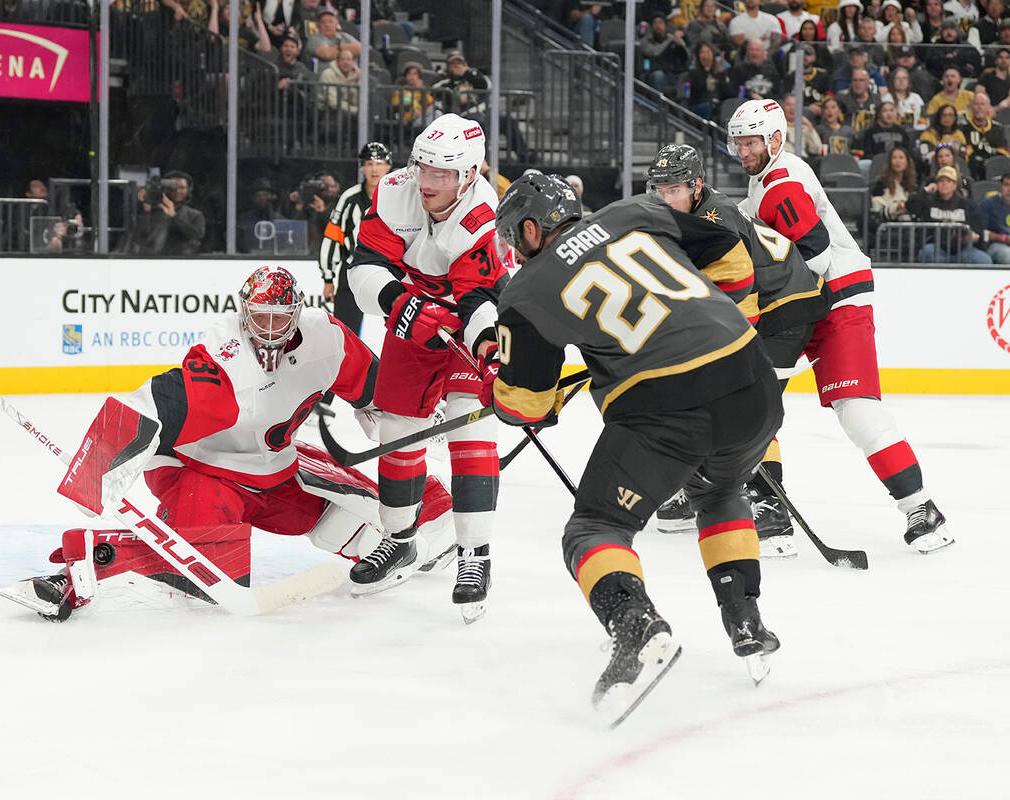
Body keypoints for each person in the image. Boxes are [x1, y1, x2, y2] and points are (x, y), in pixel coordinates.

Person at [488, 173, 783, 725]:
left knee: (593, 528)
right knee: (718, 488)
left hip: (669, 407)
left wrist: (504, 384)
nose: (512, 247)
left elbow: (526, 406)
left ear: (531, 229)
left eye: (512, 236)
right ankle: (746, 621)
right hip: (752, 378)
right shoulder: (638, 210)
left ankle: (635, 626)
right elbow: (727, 246)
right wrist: (712, 322)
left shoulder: (525, 291)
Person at [0, 266, 457, 621]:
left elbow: (372, 383)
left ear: (298, 312)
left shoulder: (326, 338)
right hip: (203, 472)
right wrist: (98, 466)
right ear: (243, 313)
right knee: (205, 573)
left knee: (359, 522)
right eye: (260, 317)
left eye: (281, 318)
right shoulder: (224, 358)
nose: (270, 329)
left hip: (278, 468)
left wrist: (404, 412)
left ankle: (432, 523)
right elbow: (156, 402)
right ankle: (78, 572)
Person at [726, 98, 955, 553]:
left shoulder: (781, 185)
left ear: (774, 138)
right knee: (752, 398)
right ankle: (753, 502)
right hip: (805, 299)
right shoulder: (767, 179)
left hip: (833, 298)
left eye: (750, 141)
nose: (743, 150)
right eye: (738, 143)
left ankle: (921, 508)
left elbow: (817, 255)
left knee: (856, 410)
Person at [344, 114, 510, 621]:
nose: (428, 183)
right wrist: (400, 301)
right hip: (412, 313)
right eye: (424, 169)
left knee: (468, 432)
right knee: (397, 430)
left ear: (469, 173)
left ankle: (474, 555)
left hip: (466, 318)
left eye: (443, 174)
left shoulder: (483, 211)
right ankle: (400, 539)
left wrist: (484, 344)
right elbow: (365, 269)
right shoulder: (395, 189)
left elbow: (480, 295)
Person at [647, 144, 829, 556]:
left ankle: (770, 507)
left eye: (673, 188)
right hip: (764, 305)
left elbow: (737, 291)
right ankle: (698, 486)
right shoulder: (680, 214)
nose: (664, 197)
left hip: (784, 308)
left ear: (696, 186)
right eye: (659, 188)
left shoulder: (716, 217)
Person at [319, 141, 392, 341]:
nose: (374, 169)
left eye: (379, 163)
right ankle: (347, 372)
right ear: (362, 167)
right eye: (369, 163)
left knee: (400, 331)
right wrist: (328, 277)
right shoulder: (349, 198)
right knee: (344, 333)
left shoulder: (399, 196)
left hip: (391, 269)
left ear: (388, 166)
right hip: (353, 269)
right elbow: (334, 236)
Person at [432, 51, 534, 163]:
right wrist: (455, 95)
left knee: (508, 120)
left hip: (485, 112)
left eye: (459, 63)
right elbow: (436, 91)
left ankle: (524, 157)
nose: (457, 66)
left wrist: (467, 73)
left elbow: (487, 85)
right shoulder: (444, 82)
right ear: (447, 66)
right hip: (464, 116)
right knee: (479, 124)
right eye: (453, 64)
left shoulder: (474, 76)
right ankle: (484, 161)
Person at [907, 165, 992, 262]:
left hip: (962, 249)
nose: (944, 184)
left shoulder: (967, 205)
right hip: (937, 248)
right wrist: (925, 190)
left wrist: (975, 237)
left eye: (948, 181)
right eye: (941, 181)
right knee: (927, 252)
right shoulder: (927, 202)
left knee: (984, 260)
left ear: (955, 185)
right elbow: (910, 206)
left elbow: (977, 229)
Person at [124, 170, 206, 255]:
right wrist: (146, 210)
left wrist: (174, 216)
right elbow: (139, 237)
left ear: (189, 189)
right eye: (172, 187)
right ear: (164, 188)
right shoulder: (153, 210)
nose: (177, 191)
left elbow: (197, 235)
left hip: (181, 260)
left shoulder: (195, 215)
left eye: (182, 187)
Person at [856, 100, 916, 174]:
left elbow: (907, 151)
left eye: (892, 110)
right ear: (879, 114)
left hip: (898, 166)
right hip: (877, 166)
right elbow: (867, 153)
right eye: (885, 111)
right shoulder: (870, 132)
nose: (889, 114)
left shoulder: (902, 132)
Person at [962, 91, 1010, 179]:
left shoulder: (997, 129)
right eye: (976, 104)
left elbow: (1004, 152)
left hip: (995, 170)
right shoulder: (964, 129)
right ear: (971, 107)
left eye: (982, 104)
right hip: (973, 170)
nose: (979, 107)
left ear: (988, 107)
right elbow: (966, 153)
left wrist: (990, 163)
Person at [680, 43, 734, 121]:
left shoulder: (720, 73)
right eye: (702, 52)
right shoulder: (693, 73)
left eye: (708, 52)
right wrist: (705, 72)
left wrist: (721, 76)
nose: (705, 55)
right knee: (710, 107)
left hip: (718, 106)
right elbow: (695, 93)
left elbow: (728, 94)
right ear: (698, 56)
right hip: (700, 106)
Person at [871, 145, 918, 222]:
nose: (897, 161)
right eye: (894, 158)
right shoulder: (881, 184)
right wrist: (896, 208)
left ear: (907, 162)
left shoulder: (913, 185)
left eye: (901, 157)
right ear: (890, 162)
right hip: (887, 224)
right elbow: (878, 211)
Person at [976, 171, 1010, 262]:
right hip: (996, 245)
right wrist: (1004, 238)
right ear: (1000, 187)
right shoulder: (988, 204)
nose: (1009, 189)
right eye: (1006, 185)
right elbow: (981, 233)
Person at [883, 65, 927, 130]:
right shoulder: (886, 98)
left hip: (916, 132)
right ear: (893, 81)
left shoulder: (916, 97)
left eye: (904, 78)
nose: (901, 81)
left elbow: (923, 117)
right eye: (897, 78)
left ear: (908, 81)